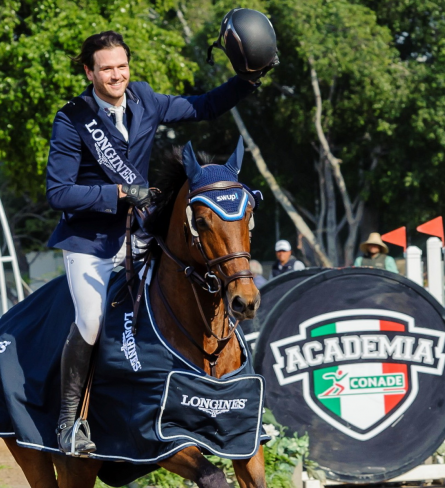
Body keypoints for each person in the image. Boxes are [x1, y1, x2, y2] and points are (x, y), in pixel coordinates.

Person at [46, 22, 278, 455]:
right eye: (107, 69)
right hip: (90, 243)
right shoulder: (72, 119)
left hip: (138, 233)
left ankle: (236, 404)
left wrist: (247, 81)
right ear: (88, 73)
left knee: (201, 285)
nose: (117, 76)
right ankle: (70, 422)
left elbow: (205, 106)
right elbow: (58, 192)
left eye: (122, 66)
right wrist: (117, 192)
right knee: (92, 321)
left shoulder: (145, 99)